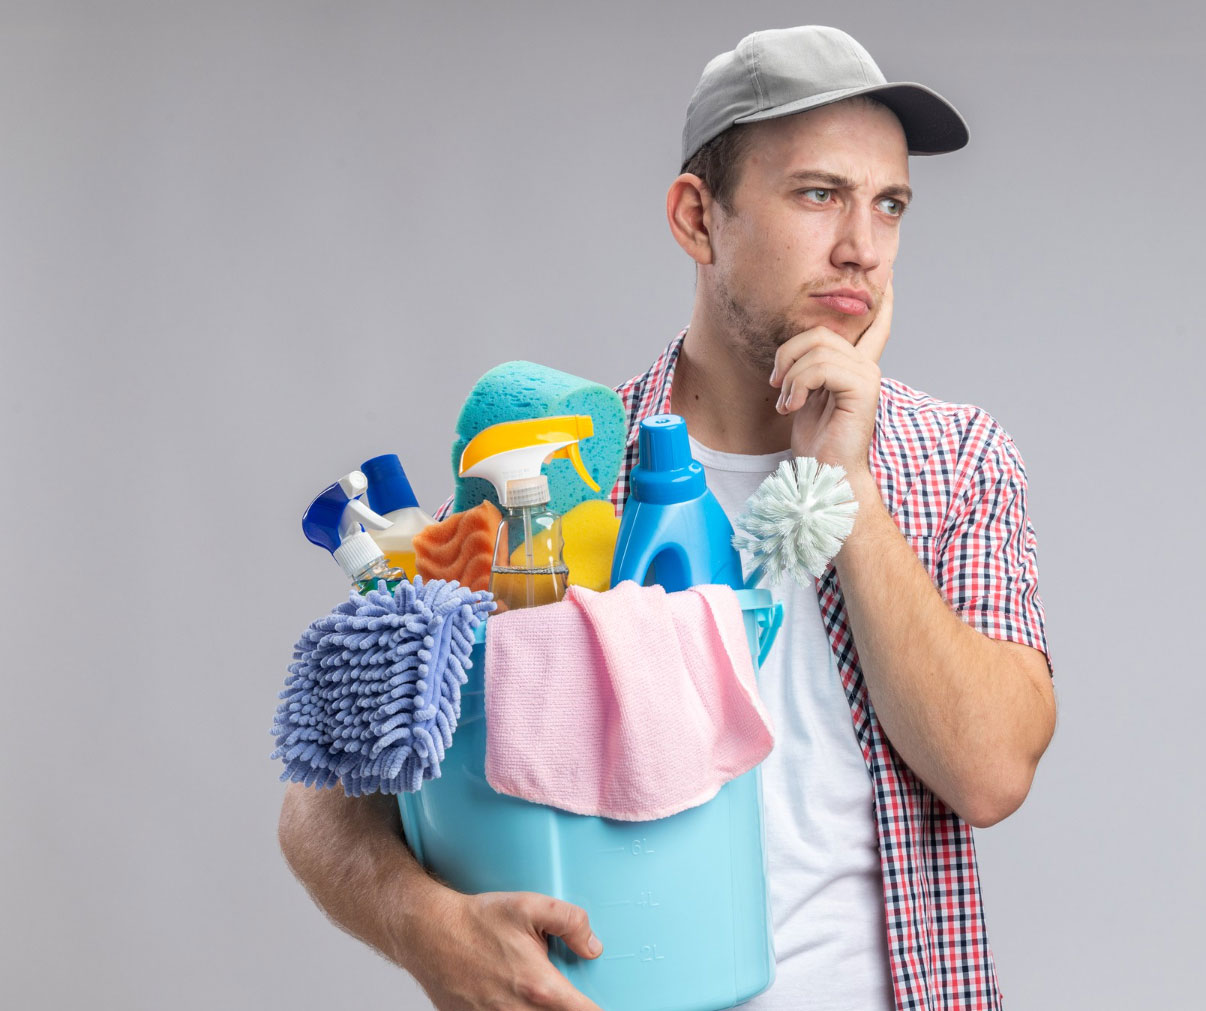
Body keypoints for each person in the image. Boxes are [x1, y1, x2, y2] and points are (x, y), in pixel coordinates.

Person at [278, 25, 1056, 1011]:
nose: (862, 247)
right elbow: (320, 801)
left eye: (888, 205)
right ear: (698, 218)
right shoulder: (549, 475)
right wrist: (427, 928)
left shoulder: (956, 463)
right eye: (819, 194)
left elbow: (988, 772)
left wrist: (846, 481)